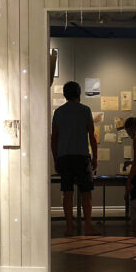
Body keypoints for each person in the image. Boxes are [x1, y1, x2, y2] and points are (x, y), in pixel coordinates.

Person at [51, 80, 98, 236]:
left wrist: (56, 159)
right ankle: (88, 227)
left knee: (67, 193)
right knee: (86, 193)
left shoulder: (59, 112)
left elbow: (54, 138)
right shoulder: (85, 110)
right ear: (79, 93)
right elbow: (92, 136)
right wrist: (95, 157)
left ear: (65, 94)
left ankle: (70, 228)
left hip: (64, 157)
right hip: (82, 156)